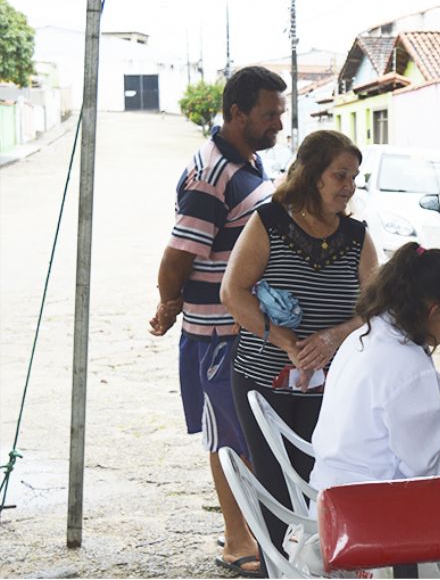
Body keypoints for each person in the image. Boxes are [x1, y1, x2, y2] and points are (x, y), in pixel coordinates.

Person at [149, 65, 287, 577]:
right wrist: (168, 302)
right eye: (269, 113)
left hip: (244, 329)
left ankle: (254, 532)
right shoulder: (212, 175)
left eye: (280, 113)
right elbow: (177, 254)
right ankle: (237, 542)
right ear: (237, 113)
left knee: (252, 437)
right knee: (228, 439)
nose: (278, 122)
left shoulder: (246, 163)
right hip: (216, 335)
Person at [309, 242, 440, 578]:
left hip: (334, 492)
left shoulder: (366, 333)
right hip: (370, 516)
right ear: (435, 310)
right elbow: (438, 478)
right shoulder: (408, 365)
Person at [221, 130, 378, 558]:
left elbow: (377, 306)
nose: (349, 187)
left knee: (321, 477)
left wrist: (333, 337)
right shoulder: (269, 222)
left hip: (332, 383)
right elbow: (233, 292)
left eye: (354, 177)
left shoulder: (357, 236)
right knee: (274, 483)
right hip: (263, 377)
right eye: (339, 175)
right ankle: (278, 565)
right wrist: (285, 341)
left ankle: (316, 563)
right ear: (312, 176)